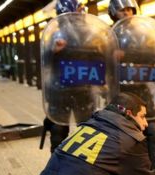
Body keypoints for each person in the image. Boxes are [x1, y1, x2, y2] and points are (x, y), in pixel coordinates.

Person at [110, 0, 155, 175]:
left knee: (154, 132)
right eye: (122, 10)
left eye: (129, 9)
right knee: (122, 137)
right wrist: (110, 55)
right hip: (121, 94)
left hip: (143, 92)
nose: (126, 13)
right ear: (114, 12)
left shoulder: (145, 32)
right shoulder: (108, 35)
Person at [39, 0, 106, 153]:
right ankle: (58, 170)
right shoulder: (53, 35)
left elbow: (100, 60)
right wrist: (53, 51)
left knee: (87, 132)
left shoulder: (89, 35)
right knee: (58, 132)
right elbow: (44, 63)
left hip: (83, 90)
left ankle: (85, 171)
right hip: (59, 91)